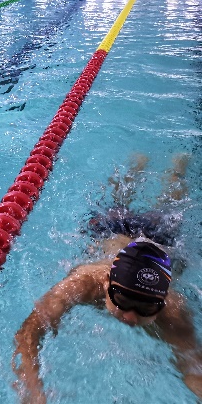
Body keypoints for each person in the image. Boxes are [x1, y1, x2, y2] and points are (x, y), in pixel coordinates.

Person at [13, 154, 202, 402]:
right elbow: (28, 333)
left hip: (160, 241)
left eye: (146, 307)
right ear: (106, 282)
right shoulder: (82, 283)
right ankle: (135, 165)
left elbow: (193, 369)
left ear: (163, 300)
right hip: (113, 229)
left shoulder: (173, 311)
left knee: (170, 208)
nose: (131, 317)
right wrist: (34, 392)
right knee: (117, 200)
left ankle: (178, 166)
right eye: (123, 300)